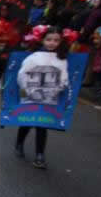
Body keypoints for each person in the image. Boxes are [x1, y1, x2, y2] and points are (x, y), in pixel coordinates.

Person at [14, 26, 70, 169]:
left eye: (56, 40)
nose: (52, 43)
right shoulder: (33, 57)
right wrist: (28, 91)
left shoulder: (62, 59)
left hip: (49, 98)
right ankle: (19, 143)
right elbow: (22, 75)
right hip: (30, 96)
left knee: (42, 125)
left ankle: (40, 155)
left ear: (61, 42)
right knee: (27, 122)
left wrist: (55, 90)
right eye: (49, 39)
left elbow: (64, 79)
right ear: (43, 40)